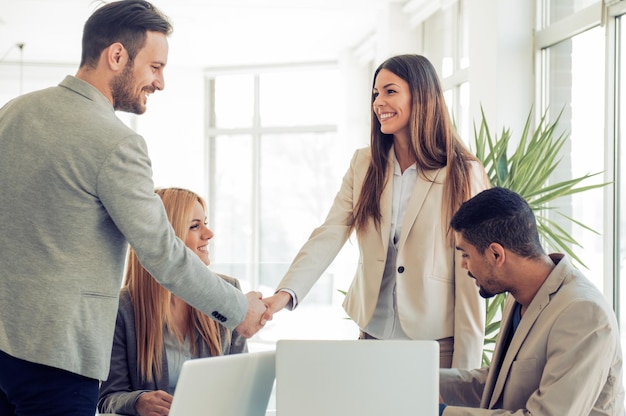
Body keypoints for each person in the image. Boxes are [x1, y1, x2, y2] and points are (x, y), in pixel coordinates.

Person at [0, 2, 268, 415]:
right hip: (59, 362)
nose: (160, 82)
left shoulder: (13, 113)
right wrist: (238, 311)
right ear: (117, 55)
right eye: (155, 66)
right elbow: (162, 251)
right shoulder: (116, 141)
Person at [264, 54, 490, 369]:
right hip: (372, 337)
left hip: (435, 349)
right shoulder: (364, 164)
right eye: (375, 94)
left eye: (390, 91)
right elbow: (330, 233)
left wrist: (466, 376)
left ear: (421, 96)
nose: (378, 102)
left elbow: (471, 271)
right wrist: (285, 295)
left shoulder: (463, 173)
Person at [438, 187, 625, 415]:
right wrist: (421, 378)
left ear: (496, 255)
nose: (463, 265)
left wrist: (439, 412)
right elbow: (499, 384)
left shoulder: (584, 313)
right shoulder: (519, 296)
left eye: (466, 254)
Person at [98, 188, 248, 416]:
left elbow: (244, 383)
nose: (209, 234)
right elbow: (108, 398)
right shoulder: (123, 308)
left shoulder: (228, 293)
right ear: (167, 240)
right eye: (195, 226)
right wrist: (138, 402)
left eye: (204, 223)